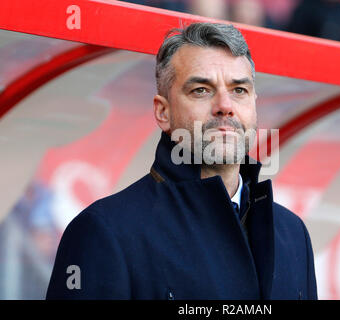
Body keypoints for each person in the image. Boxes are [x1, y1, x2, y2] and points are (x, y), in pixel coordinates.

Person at [46, 22, 317, 300]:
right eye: (201, 89)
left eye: (239, 90)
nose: (225, 105)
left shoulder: (293, 234)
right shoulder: (104, 232)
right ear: (163, 112)